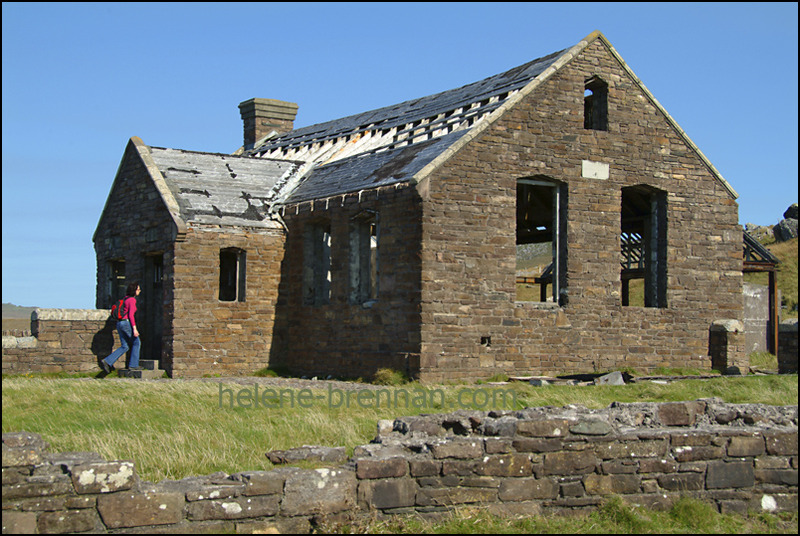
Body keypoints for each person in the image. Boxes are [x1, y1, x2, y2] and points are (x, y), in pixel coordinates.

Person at [100, 282, 141, 373]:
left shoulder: (125, 299)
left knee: (125, 346)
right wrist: (134, 328)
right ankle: (133, 365)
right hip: (126, 323)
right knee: (137, 342)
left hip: (119, 324)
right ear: (134, 290)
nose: (139, 291)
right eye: (138, 289)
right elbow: (130, 315)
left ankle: (107, 361)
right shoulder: (132, 300)